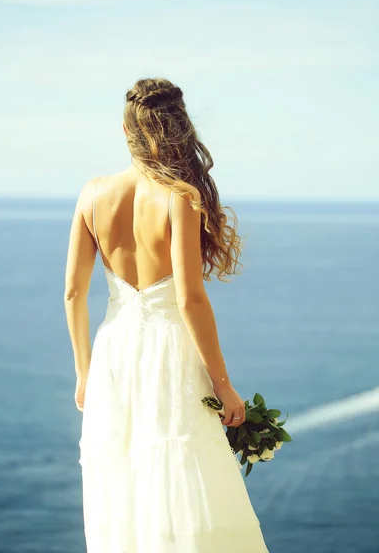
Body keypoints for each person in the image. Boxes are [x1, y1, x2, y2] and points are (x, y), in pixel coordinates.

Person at [64, 78, 269, 552]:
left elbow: (74, 293)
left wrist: (82, 374)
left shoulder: (92, 193)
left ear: (124, 129)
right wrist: (223, 384)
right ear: (179, 129)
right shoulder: (179, 197)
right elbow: (190, 299)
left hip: (113, 355)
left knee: (123, 471)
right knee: (181, 470)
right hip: (168, 352)